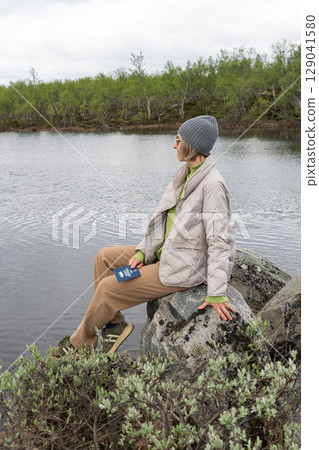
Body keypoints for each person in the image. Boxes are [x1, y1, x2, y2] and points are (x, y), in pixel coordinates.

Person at [53, 115, 236, 357]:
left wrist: (216, 292)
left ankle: (79, 346)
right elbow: (161, 222)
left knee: (108, 289)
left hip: (184, 267)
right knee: (104, 257)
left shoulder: (212, 185)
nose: (173, 145)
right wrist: (142, 252)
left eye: (178, 140)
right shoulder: (185, 174)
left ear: (192, 145)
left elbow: (220, 241)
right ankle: (114, 325)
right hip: (167, 253)